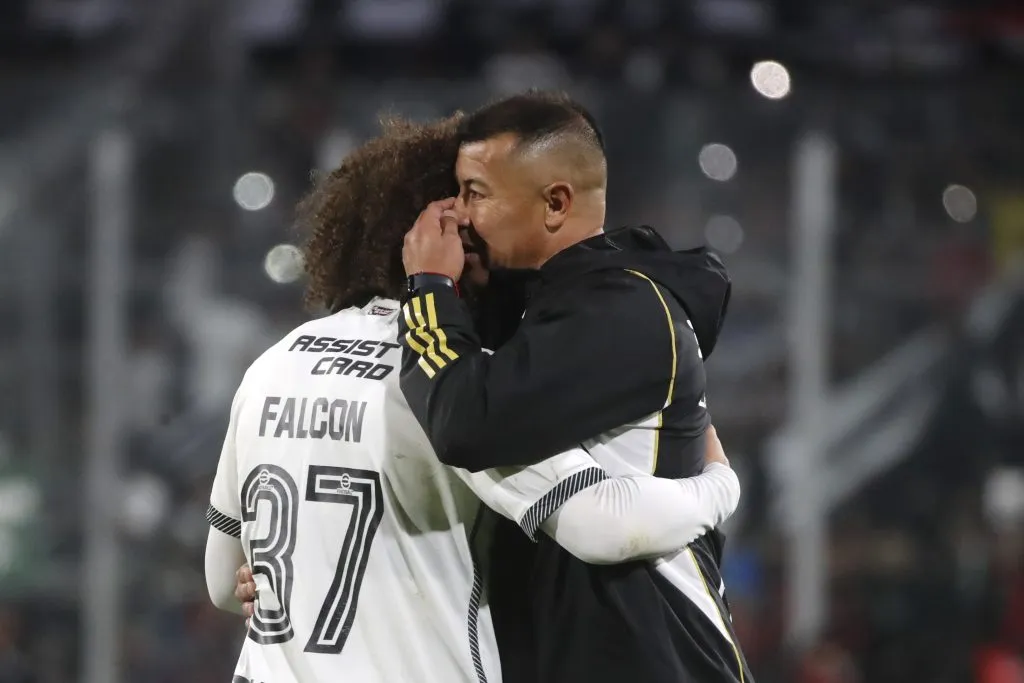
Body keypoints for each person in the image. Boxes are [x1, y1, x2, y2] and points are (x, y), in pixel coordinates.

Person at [204, 112, 743, 683]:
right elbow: (602, 525)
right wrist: (718, 488)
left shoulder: (274, 363)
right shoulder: (443, 380)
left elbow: (223, 581)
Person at [399, 90, 749, 682]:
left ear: (556, 203)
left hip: (658, 661)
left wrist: (429, 286)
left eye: (475, 193)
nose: (456, 214)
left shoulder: (625, 309)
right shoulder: (555, 309)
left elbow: (465, 421)